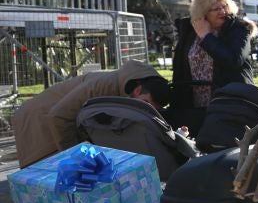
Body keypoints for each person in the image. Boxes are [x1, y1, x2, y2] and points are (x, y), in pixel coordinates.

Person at [12, 60, 170, 168]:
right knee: (44, 187)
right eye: (146, 103)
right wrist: (78, 157)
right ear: (137, 89)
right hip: (38, 122)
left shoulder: (125, 87)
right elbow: (58, 117)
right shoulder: (105, 84)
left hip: (54, 122)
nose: (145, 108)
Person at [169, 0, 258, 132]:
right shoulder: (189, 31)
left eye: (225, 6)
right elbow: (180, 69)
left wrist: (206, 37)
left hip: (229, 103)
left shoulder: (239, 29)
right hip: (193, 106)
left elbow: (233, 60)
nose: (222, 11)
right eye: (215, 9)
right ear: (202, 12)